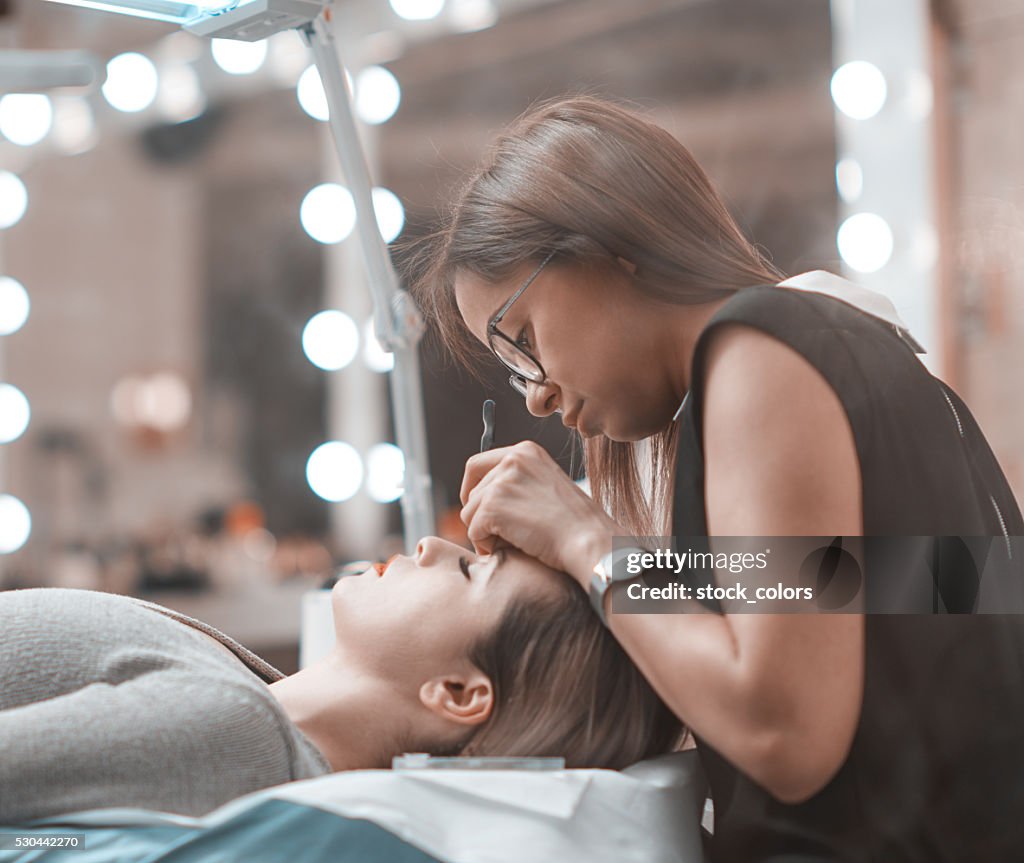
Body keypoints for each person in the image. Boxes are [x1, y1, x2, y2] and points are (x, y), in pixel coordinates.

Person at [412, 95, 1024, 861]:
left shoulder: (763, 348)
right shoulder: (843, 341)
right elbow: (884, 608)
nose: (534, 391)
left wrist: (585, 537)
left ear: (610, 244)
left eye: (523, 337)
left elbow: (784, 732)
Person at [0, 537, 681, 825]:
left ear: (458, 692)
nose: (433, 545)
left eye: (472, 569)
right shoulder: (246, 696)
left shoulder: (231, 725)